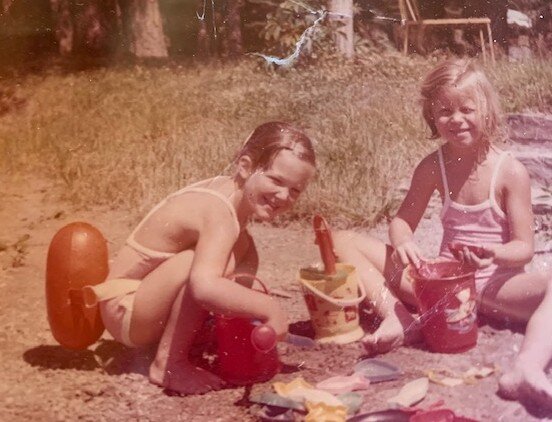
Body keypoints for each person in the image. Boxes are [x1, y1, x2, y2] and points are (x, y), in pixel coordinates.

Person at [333, 59, 552, 407]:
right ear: (432, 117)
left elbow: (524, 249)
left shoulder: (510, 171)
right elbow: (402, 221)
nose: (457, 119)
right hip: (442, 284)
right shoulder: (432, 166)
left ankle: (526, 366)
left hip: (497, 285)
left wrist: (493, 254)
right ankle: (399, 317)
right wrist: (403, 240)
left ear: (488, 111)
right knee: (340, 240)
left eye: (467, 109)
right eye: (445, 111)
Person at [89, 121, 316, 395]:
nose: (284, 196)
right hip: (126, 310)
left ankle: (200, 336)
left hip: (145, 305)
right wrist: (269, 308)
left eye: (295, 190)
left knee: (242, 255)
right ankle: (168, 364)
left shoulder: (231, 208)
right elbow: (204, 286)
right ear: (245, 166)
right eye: (276, 181)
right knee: (204, 268)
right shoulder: (218, 211)